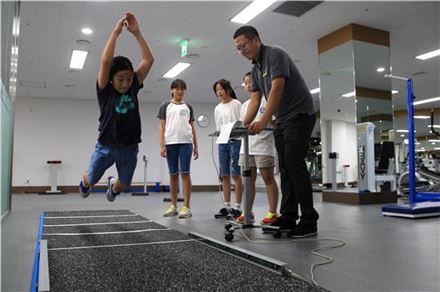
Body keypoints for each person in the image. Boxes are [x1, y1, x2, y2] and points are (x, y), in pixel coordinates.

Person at [233, 26, 319, 237]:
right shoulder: (255, 69)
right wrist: (244, 125)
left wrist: (263, 121)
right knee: (286, 168)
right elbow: (255, 100)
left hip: (300, 114)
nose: (241, 50)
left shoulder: (275, 54)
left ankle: (309, 220)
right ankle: (289, 216)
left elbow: (277, 88)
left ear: (256, 40)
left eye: (243, 45)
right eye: (237, 48)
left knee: (293, 163)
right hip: (282, 120)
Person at [79, 13, 154, 202]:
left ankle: (113, 186)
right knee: (92, 178)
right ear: (111, 79)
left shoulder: (134, 85)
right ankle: (85, 181)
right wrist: (115, 32)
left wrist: (137, 33)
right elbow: (105, 62)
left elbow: (149, 60)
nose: (125, 83)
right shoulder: (105, 90)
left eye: (129, 79)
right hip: (105, 145)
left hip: (129, 147)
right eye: (120, 79)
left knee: (125, 183)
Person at [236, 72, 279, 225]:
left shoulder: (267, 100)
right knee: (248, 181)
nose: (248, 85)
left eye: (251, 82)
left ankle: (272, 212)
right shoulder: (245, 105)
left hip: (264, 147)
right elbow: (243, 125)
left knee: (268, 179)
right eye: (246, 83)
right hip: (246, 148)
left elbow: (274, 124)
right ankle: (248, 211)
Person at [158, 79, 199, 218]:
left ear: (184, 91)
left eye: (182, 89)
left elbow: (192, 127)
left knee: (185, 173)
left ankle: (186, 207)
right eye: (176, 88)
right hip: (170, 143)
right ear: (172, 90)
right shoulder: (165, 106)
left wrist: (196, 146)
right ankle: (173, 205)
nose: (179, 91)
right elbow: (162, 127)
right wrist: (162, 145)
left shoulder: (188, 107)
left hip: (186, 142)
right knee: (173, 174)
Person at [213, 79, 243, 219]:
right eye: (217, 90)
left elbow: (241, 122)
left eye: (221, 89)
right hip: (222, 142)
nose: (219, 92)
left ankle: (238, 207)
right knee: (224, 175)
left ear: (228, 89)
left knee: (236, 174)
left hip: (235, 141)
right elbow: (218, 125)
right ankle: (227, 206)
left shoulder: (236, 104)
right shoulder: (217, 108)